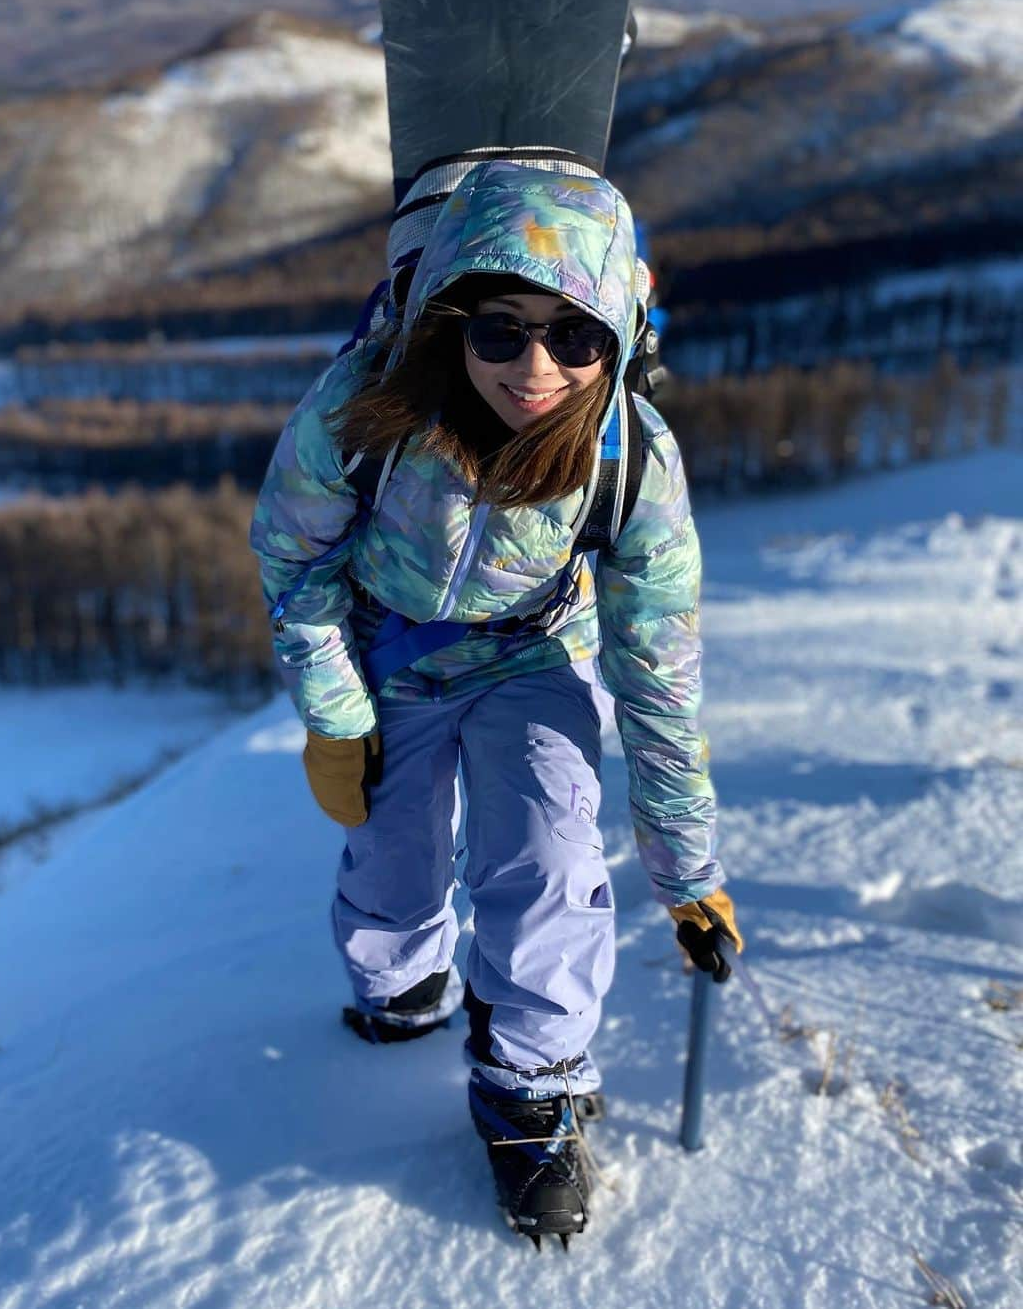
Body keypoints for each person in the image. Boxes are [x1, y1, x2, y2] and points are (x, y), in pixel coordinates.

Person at [250, 160, 742, 1243]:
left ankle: (533, 1085)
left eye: (573, 336)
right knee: (395, 849)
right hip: (391, 646)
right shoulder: (370, 408)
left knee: (551, 854)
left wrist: (688, 868)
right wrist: (336, 716)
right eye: (500, 330)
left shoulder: (628, 459)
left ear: (615, 336)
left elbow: (657, 668)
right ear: (446, 323)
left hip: (533, 654)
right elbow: (294, 557)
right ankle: (405, 982)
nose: (535, 366)